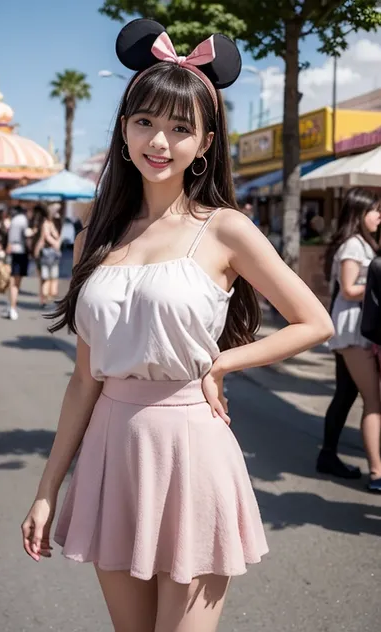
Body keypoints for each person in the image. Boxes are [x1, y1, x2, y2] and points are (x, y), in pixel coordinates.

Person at [21, 20, 333, 631]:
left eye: (180, 128)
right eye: (145, 122)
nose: (159, 141)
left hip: (191, 450)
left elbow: (314, 321)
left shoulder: (226, 229)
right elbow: (85, 380)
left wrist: (222, 361)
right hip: (111, 452)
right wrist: (46, 488)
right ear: (124, 128)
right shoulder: (95, 236)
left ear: (205, 143)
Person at [319, 188, 381, 492]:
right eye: (375, 210)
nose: (379, 216)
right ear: (360, 213)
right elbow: (348, 289)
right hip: (353, 327)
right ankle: (376, 472)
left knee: (345, 394)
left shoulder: (361, 244)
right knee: (371, 399)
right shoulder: (354, 246)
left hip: (355, 325)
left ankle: (327, 455)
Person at [2, 205, 30, 321]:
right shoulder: (23, 220)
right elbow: (26, 236)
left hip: (12, 251)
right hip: (21, 251)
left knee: (13, 281)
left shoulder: (13, 220)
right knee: (16, 282)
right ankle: (13, 307)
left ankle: (11, 306)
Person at [32, 204, 61, 308]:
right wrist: (56, 243)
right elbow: (46, 237)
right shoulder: (47, 223)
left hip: (47, 254)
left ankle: (44, 299)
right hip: (46, 254)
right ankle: (43, 300)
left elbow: (46, 238)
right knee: (45, 278)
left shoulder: (49, 223)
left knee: (46, 278)